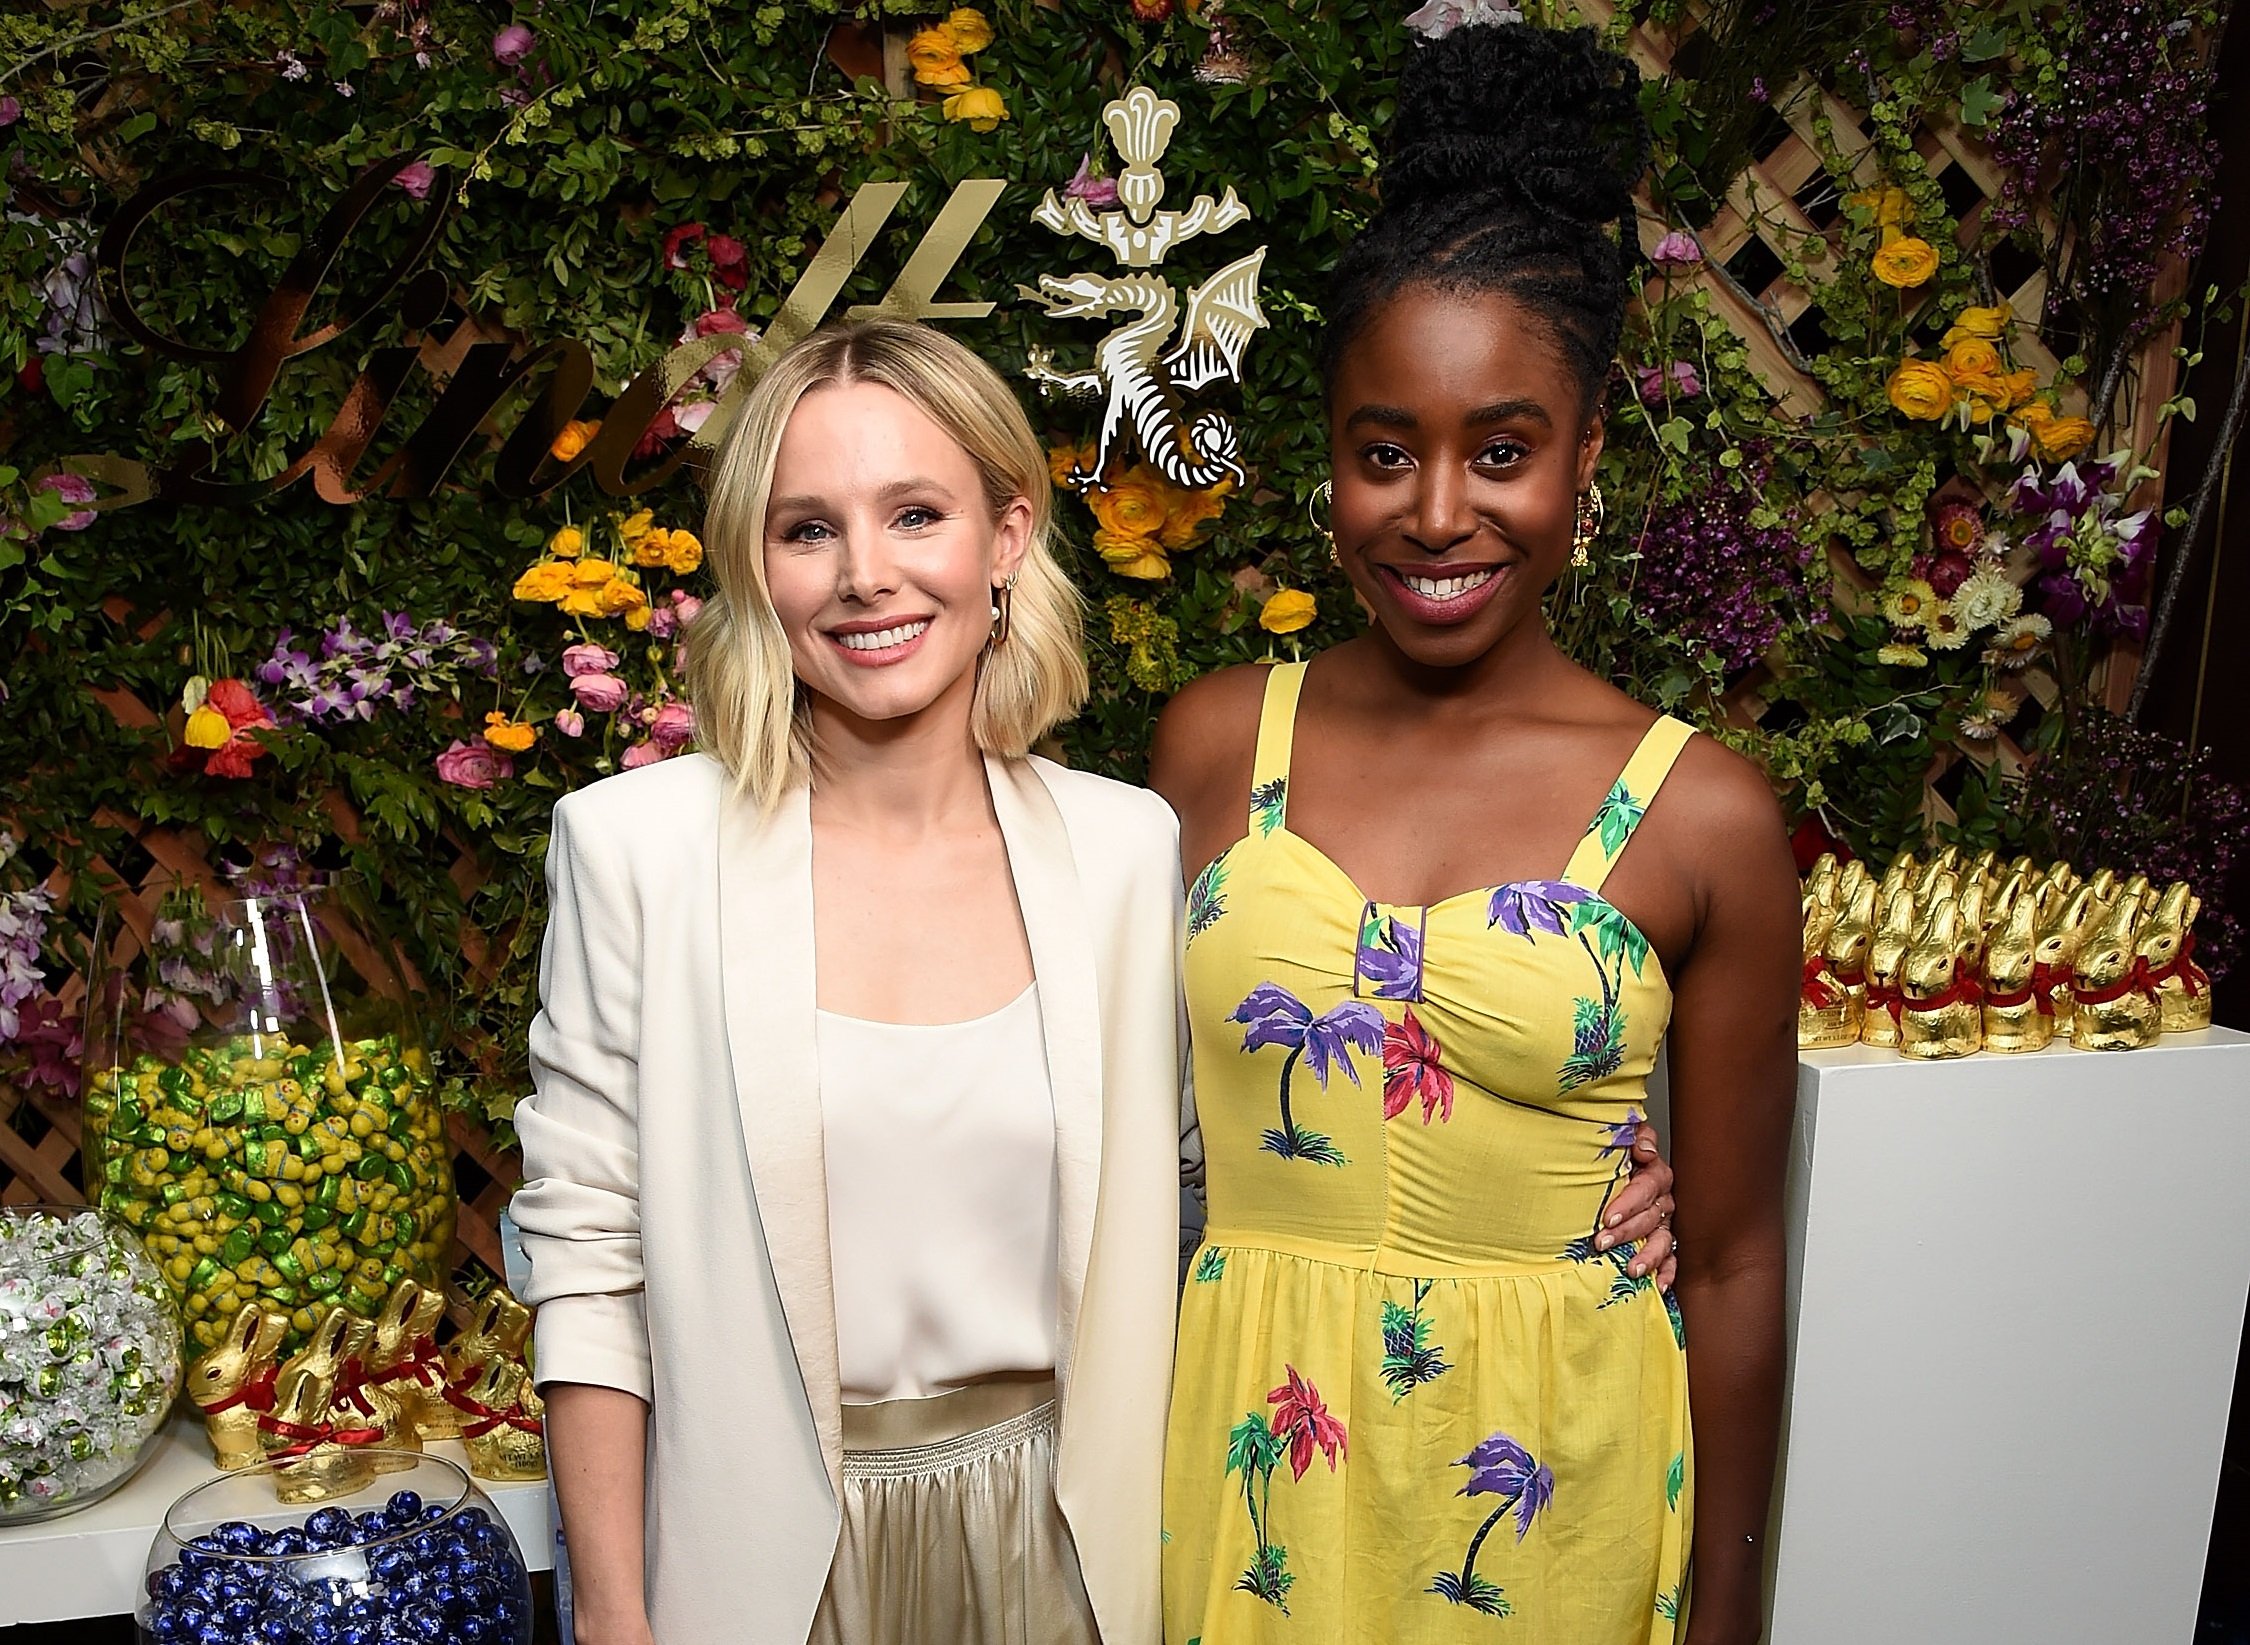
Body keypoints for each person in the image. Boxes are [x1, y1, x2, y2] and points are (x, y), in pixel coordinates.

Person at [1154, 20, 1798, 1645]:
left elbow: (1724, 1266)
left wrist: (1726, 1615)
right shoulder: (1221, 745)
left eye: (1500, 450)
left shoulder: (1701, 811)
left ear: (1583, 461)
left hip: (1552, 1489)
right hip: (1258, 1483)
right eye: (1387, 454)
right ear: (1330, 465)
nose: (1437, 514)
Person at [511, 318, 1187, 1645]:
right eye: (807, 528)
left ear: (1002, 538)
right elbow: (586, 1259)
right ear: (757, 571)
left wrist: (1581, 1196)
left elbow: (1225, 1195)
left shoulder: (1125, 851)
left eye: (915, 514)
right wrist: (611, 1618)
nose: (865, 576)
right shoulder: (633, 851)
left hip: (1073, 1561)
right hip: (768, 1573)